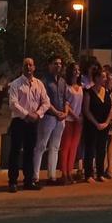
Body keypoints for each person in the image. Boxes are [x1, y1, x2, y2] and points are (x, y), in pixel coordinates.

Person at [6, 58, 51, 193]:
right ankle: (13, 181)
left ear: (34, 67)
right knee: (15, 151)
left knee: (30, 151)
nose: (28, 67)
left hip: (33, 122)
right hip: (19, 121)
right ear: (22, 67)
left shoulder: (39, 84)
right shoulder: (15, 84)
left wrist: (37, 114)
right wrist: (27, 115)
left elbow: (46, 102)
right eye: (26, 65)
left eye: (31, 65)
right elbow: (13, 104)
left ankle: (28, 180)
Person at [34, 57, 68, 185]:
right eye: (55, 63)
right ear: (49, 65)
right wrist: (56, 112)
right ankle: (35, 176)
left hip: (60, 119)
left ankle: (52, 175)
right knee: (41, 146)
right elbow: (44, 100)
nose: (58, 66)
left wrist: (64, 112)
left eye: (60, 63)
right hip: (48, 117)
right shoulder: (44, 81)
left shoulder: (62, 81)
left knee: (55, 146)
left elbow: (65, 99)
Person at [83, 69, 112, 183]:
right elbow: (86, 110)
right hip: (92, 125)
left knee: (101, 149)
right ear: (96, 78)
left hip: (104, 125)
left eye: (105, 77)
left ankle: (100, 173)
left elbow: (111, 108)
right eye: (103, 77)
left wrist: (106, 122)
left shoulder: (106, 92)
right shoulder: (89, 92)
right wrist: (96, 123)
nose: (105, 79)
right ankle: (88, 174)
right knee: (90, 149)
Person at [58, 64, 85, 184]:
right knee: (65, 147)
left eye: (78, 70)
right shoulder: (67, 87)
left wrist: (81, 117)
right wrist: (75, 116)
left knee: (74, 147)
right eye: (74, 70)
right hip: (69, 120)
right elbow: (66, 105)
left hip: (79, 121)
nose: (76, 72)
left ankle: (70, 172)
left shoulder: (81, 87)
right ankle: (64, 173)